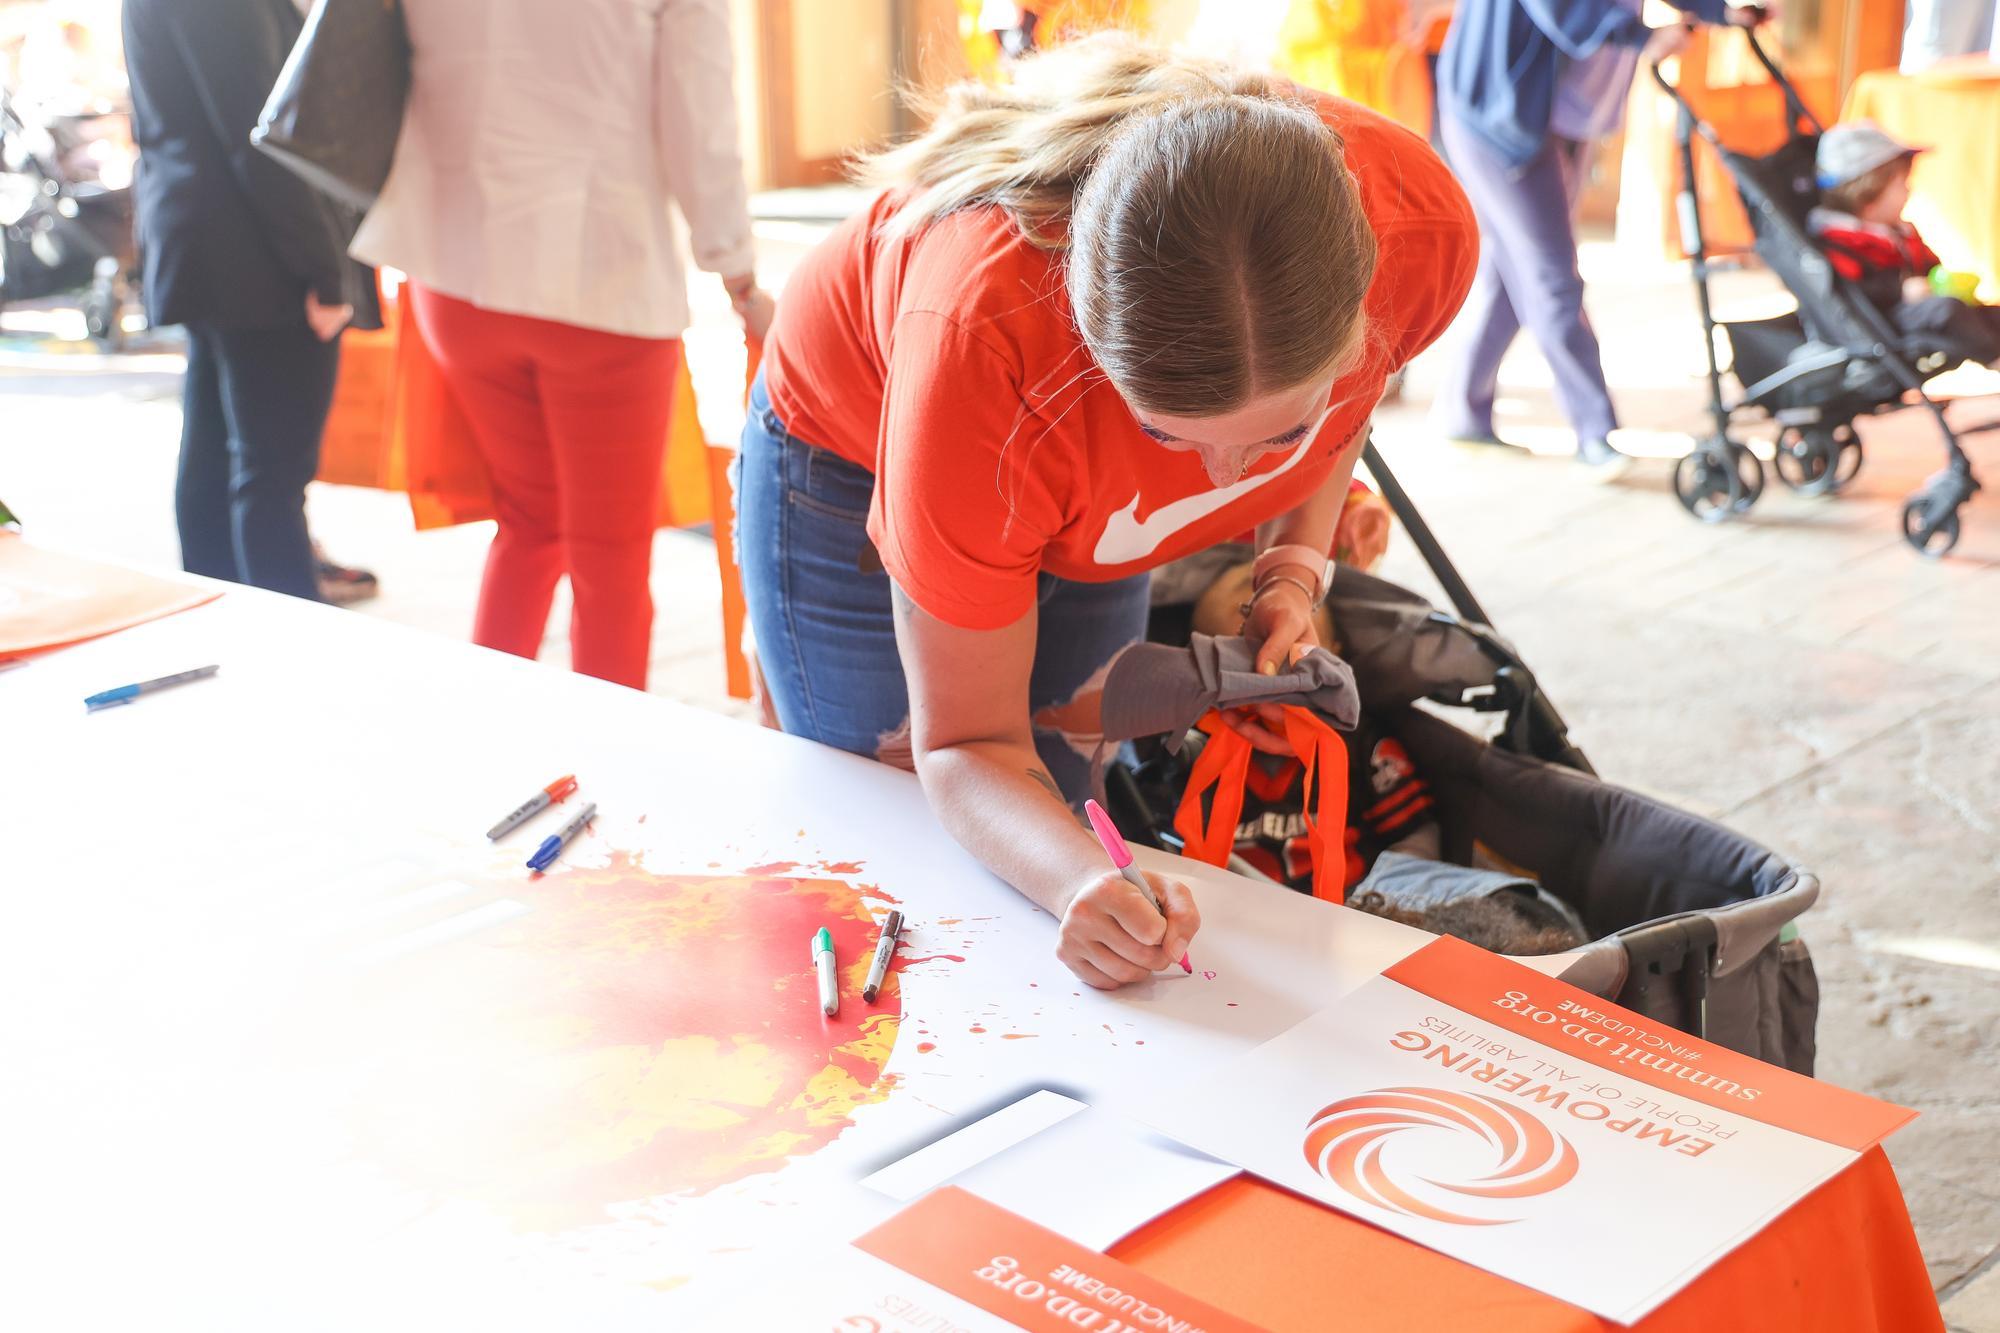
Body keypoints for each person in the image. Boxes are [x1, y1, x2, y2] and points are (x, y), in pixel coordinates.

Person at [739, 37, 1477, 990]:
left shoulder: (1421, 233)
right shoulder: (985, 349)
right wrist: (1077, 878)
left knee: (1068, 778)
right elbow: (966, 743)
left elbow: (1353, 400)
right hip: (852, 442)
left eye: (1281, 428)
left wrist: (1294, 565)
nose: (1222, 481)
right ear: (1089, 354)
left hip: (1049, 450)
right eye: (1171, 438)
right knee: (892, 837)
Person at [352, 0, 772, 691]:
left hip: (455, 266)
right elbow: (699, 118)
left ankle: (493, 728)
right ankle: (605, 771)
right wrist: (735, 267)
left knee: (528, 521)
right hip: (597, 271)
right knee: (609, 561)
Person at [1430, 0, 1764, 469]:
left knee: (1516, 272)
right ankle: (1595, 433)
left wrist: (1720, 11)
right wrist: (1641, 36)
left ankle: (1463, 412)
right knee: (1552, 279)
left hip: (1559, 116)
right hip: (1499, 116)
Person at [122, 0, 378, 601]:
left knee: (219, 462)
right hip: (256, 256)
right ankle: (288, 650)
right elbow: (258, 136)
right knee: (269, 478)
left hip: (210, 244)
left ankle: (223, 625)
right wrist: (323, 269)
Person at [1808, 121, 2000, 364]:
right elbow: (1851, 294)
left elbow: (1930, 266)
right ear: (1868, 192)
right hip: (1886, 322)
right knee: (1946, 310)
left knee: (1985, 311)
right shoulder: (1838, 241)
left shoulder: (1899, 231)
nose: (1909, 190)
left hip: (1925, 307)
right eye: (1901, 184)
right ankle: (1994, 359)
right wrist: (1900, 291)